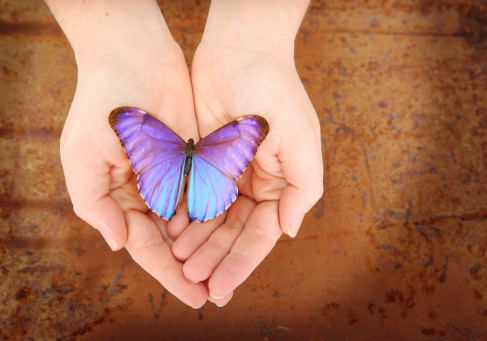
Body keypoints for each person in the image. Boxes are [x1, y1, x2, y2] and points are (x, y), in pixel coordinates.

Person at [45, 0, 324, 308]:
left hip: (164, 170)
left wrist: (258, 45)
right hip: (212, 174)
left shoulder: (162, 136)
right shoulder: (218, 142)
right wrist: (112, 51)